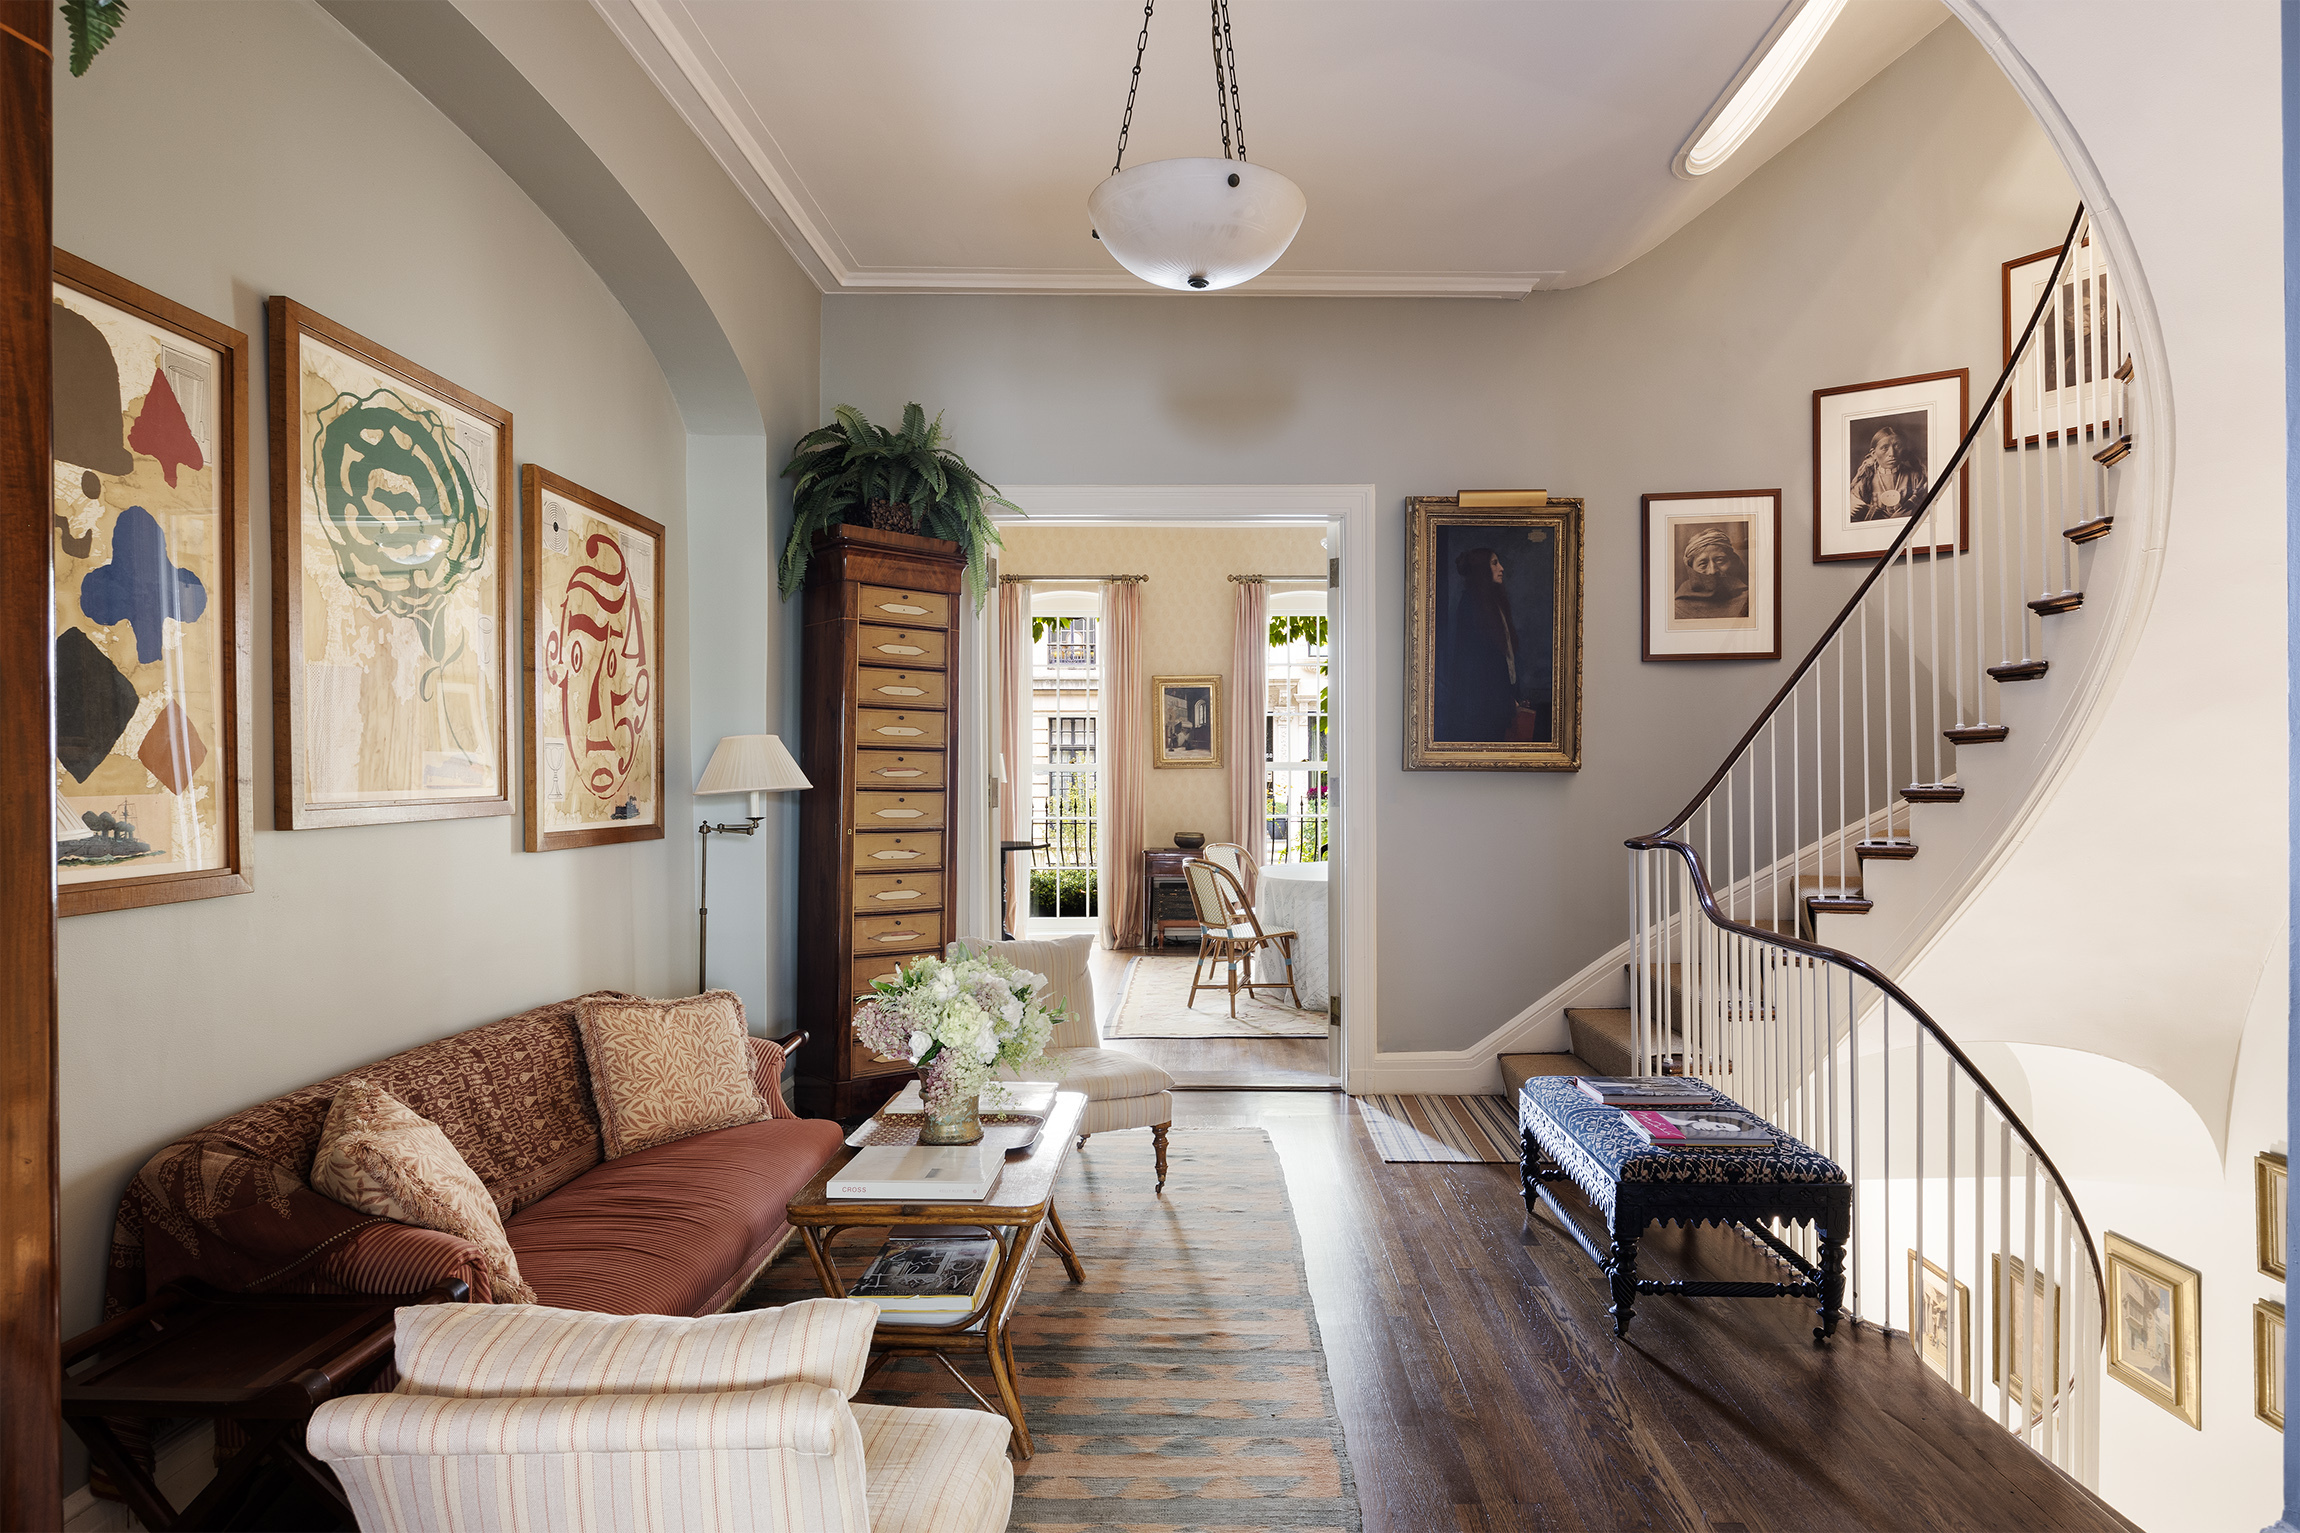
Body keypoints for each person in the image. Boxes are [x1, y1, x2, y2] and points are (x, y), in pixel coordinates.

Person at [1439, 545, 1543, 742]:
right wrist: (1504, 698)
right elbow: (1479, 663)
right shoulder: (1470, 604)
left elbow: (1507, 655)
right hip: (1484, 703)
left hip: (1502, 698)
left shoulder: (1495, 602)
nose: (1501, 568)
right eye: (1495, 563)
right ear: (1482, 570)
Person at [1850, 422, 1929, 522]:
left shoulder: (1916, 477)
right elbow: (1854, 511)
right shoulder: (1865, 479)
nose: (1892, 454)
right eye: (1884, 448)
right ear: (1874, 454)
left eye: (1897, 446)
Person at [1673, 526, 1749, 620]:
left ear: (1731, 561)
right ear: (1691, 568)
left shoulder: (1747, 600)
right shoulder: (1678, 606)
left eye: (1720, 560)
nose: (1712, 571)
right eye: (1703, 564)